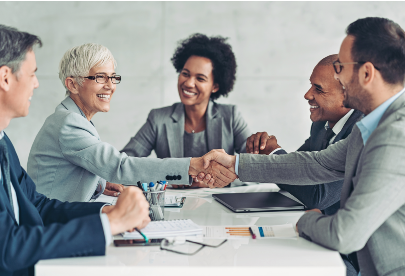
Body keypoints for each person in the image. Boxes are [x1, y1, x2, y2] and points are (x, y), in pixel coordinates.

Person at [201, 17, 405, 276]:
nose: (340, 77)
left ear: (367, 73)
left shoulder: (396, 136)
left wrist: (306, 222)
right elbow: (317, 164)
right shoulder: (371, 126)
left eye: (340, 68)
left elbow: (344, 234)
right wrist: (236, 163)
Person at [0, 25, 151, 276]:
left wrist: (106, 212)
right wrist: (110, 223)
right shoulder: (66, 122)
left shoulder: (3, 143)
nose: (36, 83)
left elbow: (39, 205)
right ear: (5, 78)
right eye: (32, 74)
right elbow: (9, 246)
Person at [27, 42, 236, 205]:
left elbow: (75, 170)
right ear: (72, 84)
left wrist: (100, 184)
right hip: (50, 224)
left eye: (113, 78)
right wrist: (192, 165)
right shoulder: (69, 123)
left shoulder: (72, 118)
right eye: (100, 77)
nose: (110, 86)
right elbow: (120, 165)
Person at [121, 34, 251, 188]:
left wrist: (216, 182)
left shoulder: (231, 117)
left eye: (200, 78)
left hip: (221, 208)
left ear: (215, 86)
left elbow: (255, 171)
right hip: (173, 209)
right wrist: (168, 179)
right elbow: (124, 165)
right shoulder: (159, 119)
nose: (188, 83)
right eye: (185, 74)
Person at [246, 54, 363, 215]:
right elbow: (293, 174)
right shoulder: (320, 125)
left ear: (347, 96)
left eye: (318, 89)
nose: (307, 95)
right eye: (310, 85)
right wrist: (266, 150)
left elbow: (318, 196)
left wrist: (273, 153)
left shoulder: (362, 132)